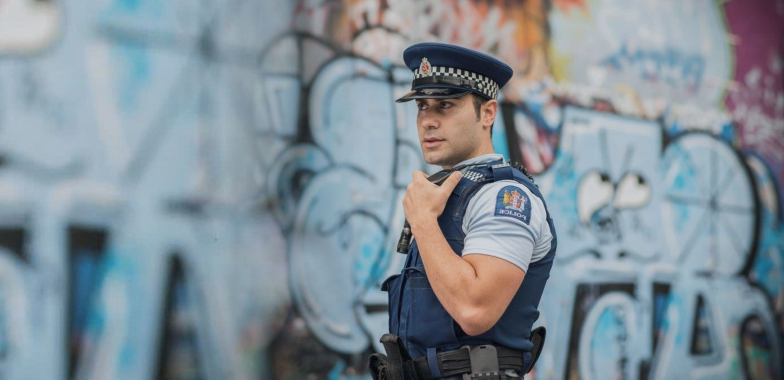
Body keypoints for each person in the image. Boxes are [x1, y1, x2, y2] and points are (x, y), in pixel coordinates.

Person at [369, 43, 557, 380]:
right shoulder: (448, 192)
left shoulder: (503, 195)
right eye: (422, 106)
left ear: (487, 113)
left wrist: (423, 222)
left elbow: (475, 310)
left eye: (445, 105)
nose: (427, 120)